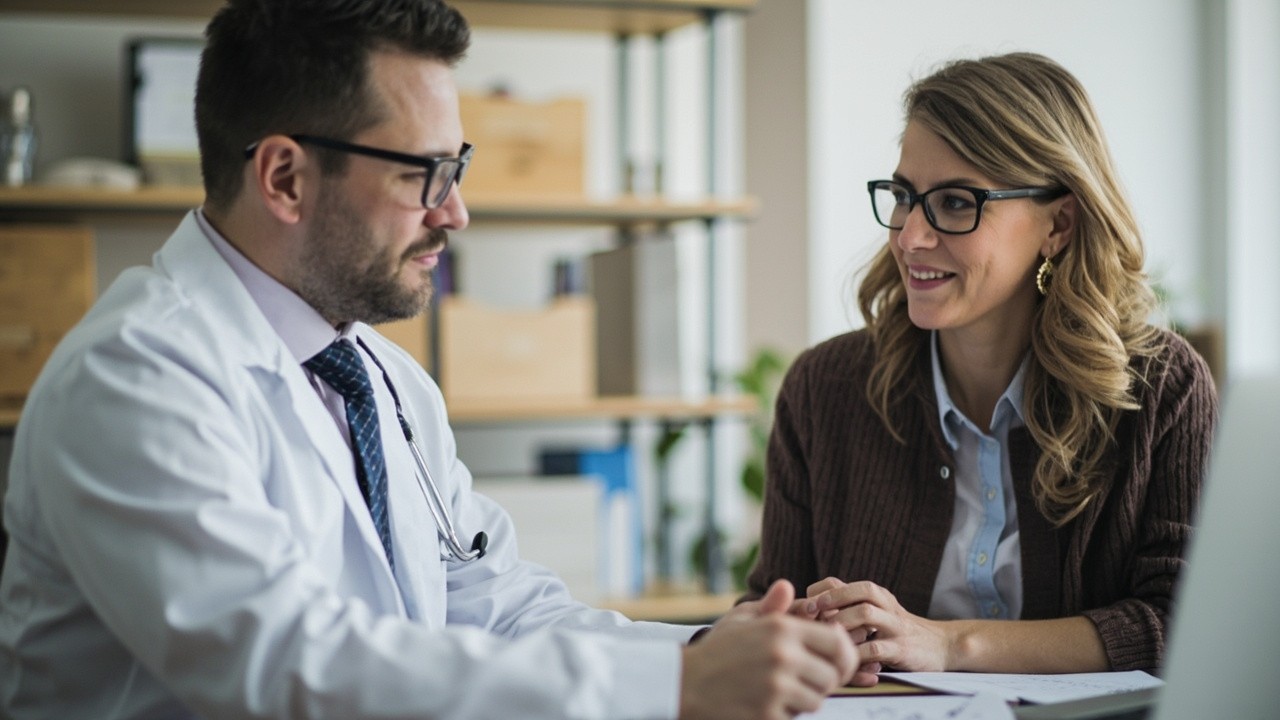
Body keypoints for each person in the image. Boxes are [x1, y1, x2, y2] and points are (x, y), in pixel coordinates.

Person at [0, 1, 860, 718]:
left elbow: (496, 607)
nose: (456, 215)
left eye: (460, 168)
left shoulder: (380, 376)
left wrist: (725, 649)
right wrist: (675, 687)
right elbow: (283, 665)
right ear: (285, 179)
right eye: (427, 174)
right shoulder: (133, 376)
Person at [744, 52, 1217, 679]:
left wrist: (945, 645)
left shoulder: (1163, 389)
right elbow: (768, 608)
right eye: (905, 197)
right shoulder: (823, 390)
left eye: (957, 203)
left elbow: (1181, 626)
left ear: (1059, 223)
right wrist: (788, 633)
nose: (911, 236)